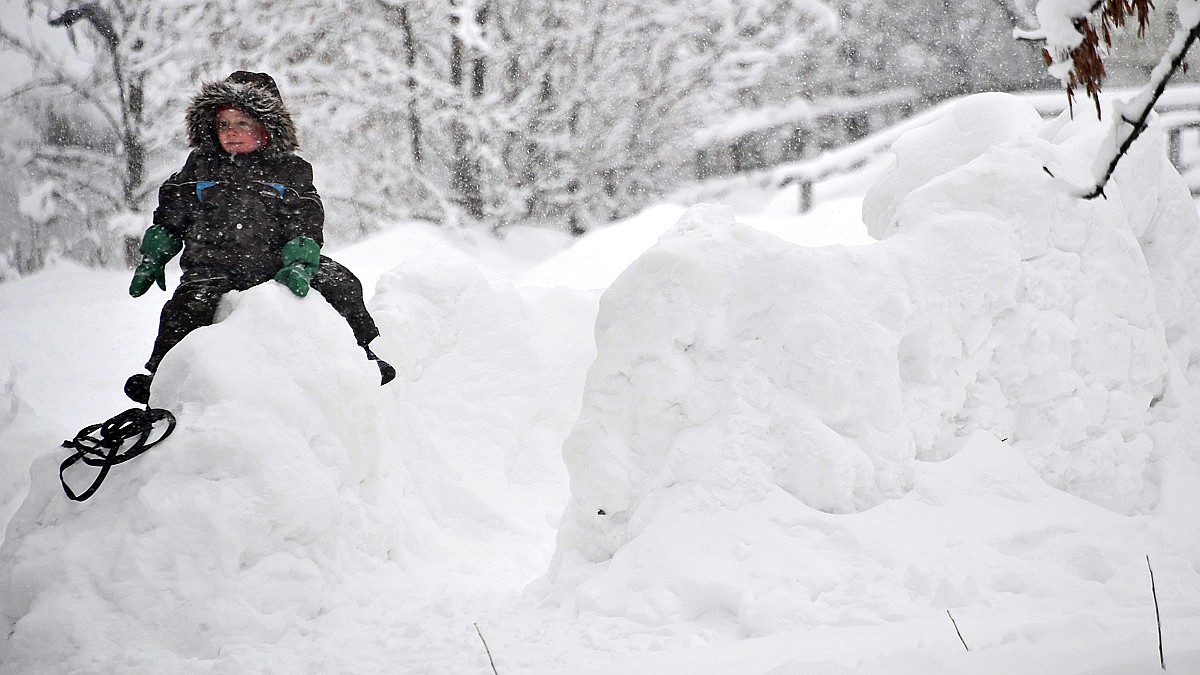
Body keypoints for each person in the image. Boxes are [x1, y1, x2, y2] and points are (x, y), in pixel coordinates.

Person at [123, 71, 394, 405]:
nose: (232, 133)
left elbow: (305, 217)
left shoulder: (290, 170)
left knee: (341, 283)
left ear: (267, 127)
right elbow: (173, 209)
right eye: (224, 124)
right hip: (211, 267)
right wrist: (156, 250)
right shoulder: (200, 166)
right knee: (186, 309)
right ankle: (160, 375)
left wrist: (299, 259)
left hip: (273, 263)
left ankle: (363, 354)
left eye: (243, 123)